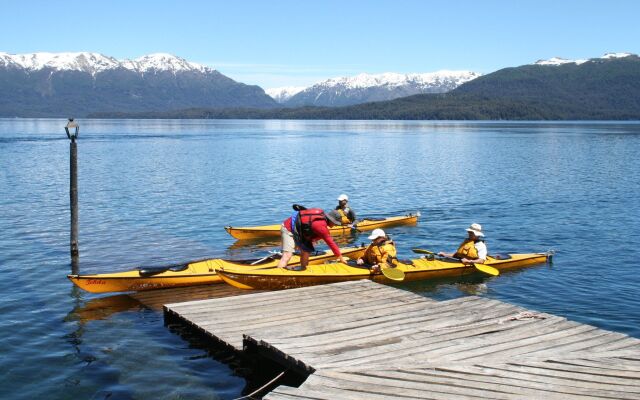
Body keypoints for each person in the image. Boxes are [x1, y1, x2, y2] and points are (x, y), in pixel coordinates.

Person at [277, 207, 347, 271]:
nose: (335, 225)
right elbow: (331, 243)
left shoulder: (322, 218)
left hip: (299, 231)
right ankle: (278, 274)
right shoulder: (321, 226)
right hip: (288, 228)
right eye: (335, 223)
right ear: (331, 220)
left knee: (306, 251)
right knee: (287, 255)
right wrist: (341, 258)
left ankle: (303, 269)